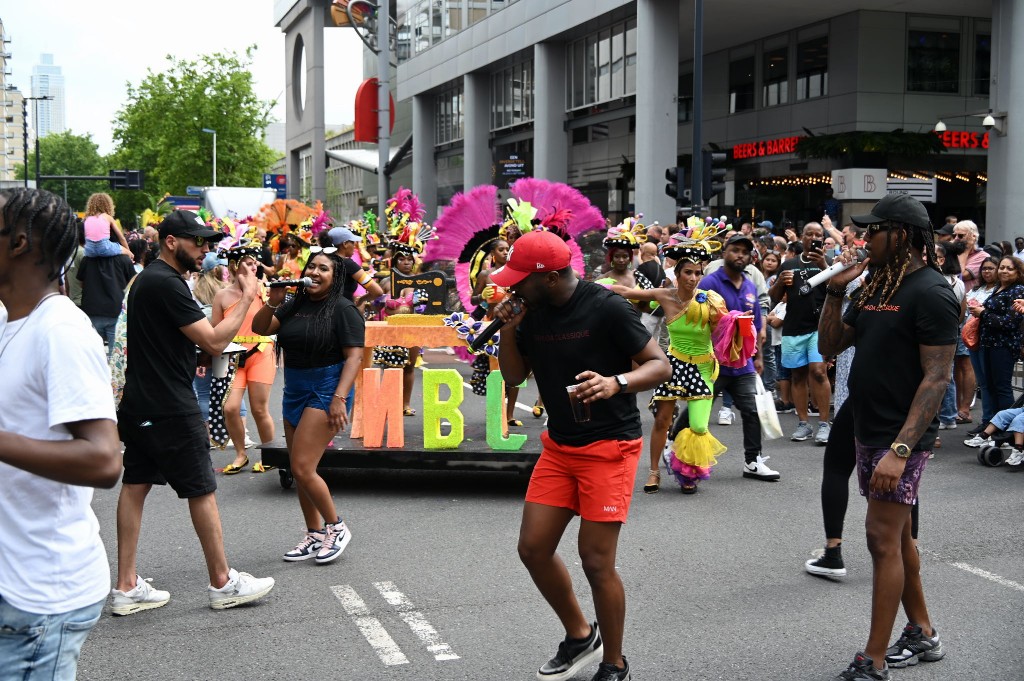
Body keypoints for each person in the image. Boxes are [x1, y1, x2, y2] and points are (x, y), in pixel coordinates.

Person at [490, 230, 670, 681]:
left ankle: (615, 662)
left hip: (610, 446)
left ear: (550, 278)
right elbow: (513, 376)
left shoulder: (606, 306)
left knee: (595, 560)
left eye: (520, 279)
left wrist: (617, 382)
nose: (511, 287)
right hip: (560, 445)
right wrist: (509, 330)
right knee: (533, 548)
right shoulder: (530, 312)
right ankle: (578, 635)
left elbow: (659, 364)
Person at [819, 192, 955, 680]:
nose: (864, 237)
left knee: (880, 539)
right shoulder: (876, 283)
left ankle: (872, 660)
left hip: (901, 438)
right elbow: (831, 345)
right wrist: (836, 292)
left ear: (901, 235)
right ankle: (922, 631)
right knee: (898, 539)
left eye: (874, 230)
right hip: (865, 426)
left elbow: (937, 378)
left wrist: (900, 449)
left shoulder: (932, 292)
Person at [112, 210, 275, 615]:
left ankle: (126, 586)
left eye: (207, 243)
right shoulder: (165, 283)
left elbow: (180, 341)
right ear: (171, 241)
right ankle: (223, 582)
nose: (204, 249)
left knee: (136, 483)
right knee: (201, 488)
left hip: (141, 400)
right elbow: (217, 340)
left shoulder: (152, 280)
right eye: (197, 241)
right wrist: (248, 295)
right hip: (169, 404)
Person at [0, 188, 122, 679]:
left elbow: (104, 461)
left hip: (40, 601)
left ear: (19, 243)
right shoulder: (13, 324)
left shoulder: (61, 331)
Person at [252, 248, 364, 564]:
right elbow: (261, 328)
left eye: (323, 269)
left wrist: (339, 398)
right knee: (300, 468)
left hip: (327, 388)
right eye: (311, 267)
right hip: (295, 389)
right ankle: (314, 533)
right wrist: (273, 299)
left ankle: (336, 527)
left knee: (301, 466)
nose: (314, 273)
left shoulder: (344, 309)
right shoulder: (294, 304)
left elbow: (354, 357)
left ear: (336, 276)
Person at [612, 233, 726, 494]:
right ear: (678, 272)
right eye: (688, 272)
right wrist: (591, 288)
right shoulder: (665, 295)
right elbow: (629, 291)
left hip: (702, 366)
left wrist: (731, 323)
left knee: (698, 426)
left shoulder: (711, 300)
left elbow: (723, 332)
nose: (693, 278)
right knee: (662, 420)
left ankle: (687, 469)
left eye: (698, 272)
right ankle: (654, 472)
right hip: (673, 364)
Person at [700, 234, 780, 481]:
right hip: (714, 363)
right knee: (700, 411)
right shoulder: (709, 283)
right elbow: (697, 320)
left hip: (743, 363)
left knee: (751, 410)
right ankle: (675, 442)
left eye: (745, 252)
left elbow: (755, 325)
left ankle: (753, 461)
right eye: (735, 250)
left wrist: (757, 358)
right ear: (725, 252)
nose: (740, 256)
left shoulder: (749, 285)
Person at [211, 239, 278, 474]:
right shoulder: (221, 296)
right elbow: (216, 334)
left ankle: (271, 455)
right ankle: (241, 454)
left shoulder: (263, 288)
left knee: (259, 409)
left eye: (255, 263)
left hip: (261, 352)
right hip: (232, 358)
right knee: (229, 408)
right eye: (248, 264)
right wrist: (213, 363)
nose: (253, 268)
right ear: (233, 266)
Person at [770, 222, 833, 445]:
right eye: (809, 234)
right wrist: (780, 281)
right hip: (793, 328)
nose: (813, 238)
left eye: (818, 235)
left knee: (818, 371)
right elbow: (774, 296)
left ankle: (824, 424)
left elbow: (838, 289)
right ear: (802, 238)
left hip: (819, 327)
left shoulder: (829, 263)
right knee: (797, 375)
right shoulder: (789, 264)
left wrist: (825, 264)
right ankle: (803, 423)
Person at [968, 256, 1024, 419]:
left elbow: (1009, 322)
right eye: (1002, 267)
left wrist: (983, 313)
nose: (1004, 271)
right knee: (990, 387)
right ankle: (990, 427)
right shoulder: (999, 288)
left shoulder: (1018, 290)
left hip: (1004, 345)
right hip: (988, 343)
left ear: (1018, 272)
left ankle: (1004, 430)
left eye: (1009, 268)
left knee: (1002, 388)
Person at [77, 232, 136, 357]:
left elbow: (81, 283)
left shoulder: (87, 259)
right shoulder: (124, 259)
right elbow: (132, 283)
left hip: (92, 309)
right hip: (116, 311)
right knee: (116, 355)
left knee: (94, 355)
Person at [933, 243, 967, 437]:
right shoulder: (959, 283)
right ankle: (949, 416)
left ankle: (941, 417)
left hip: (935, 333)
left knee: (935, 376)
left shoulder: (935, 280)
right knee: (948, 374)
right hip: (952, 331)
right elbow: (961, 314)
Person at [964, 257, 999, 430]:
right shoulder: (977, 289)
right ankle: (986, 420)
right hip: (972, 339)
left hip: (989, 340)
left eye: (991, 268)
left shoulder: (1000, 292)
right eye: (984, 268)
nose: (987, 271)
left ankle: (995, 422)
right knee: (983, 383)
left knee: (993, 383)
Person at [83, 192, 130, 258]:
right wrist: (128, 252)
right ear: (108, 205)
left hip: (89, 250)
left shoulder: (87, 219)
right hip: (104, 247)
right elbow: (121, 238)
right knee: (130, 254)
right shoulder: (108, 217)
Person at [952, 220, 989, 292]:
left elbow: (961, 276)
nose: (956, 238)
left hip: (969, 299)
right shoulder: (952, 253)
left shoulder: (982, 256)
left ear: (973, 237)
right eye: (954, 235)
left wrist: (965, 250)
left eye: (960, 236)